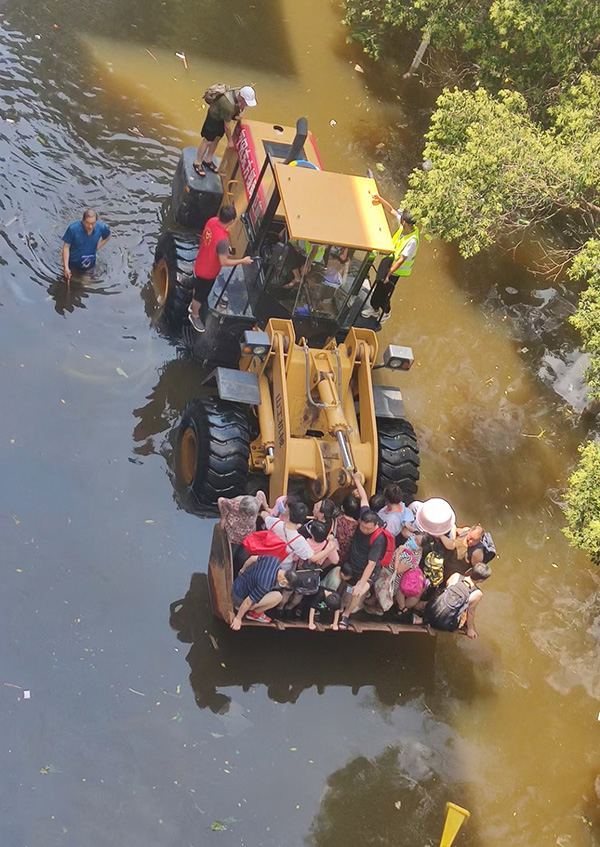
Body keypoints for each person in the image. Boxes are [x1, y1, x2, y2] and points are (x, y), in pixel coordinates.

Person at [188, 204, 254, 332]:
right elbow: (224, 262)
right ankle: (194, 315)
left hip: (200, 262)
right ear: (232, 221)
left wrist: (224, 248)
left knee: (198, 287)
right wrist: (243, 261)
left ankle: (193, 305)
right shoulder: (222, 240)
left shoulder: (212, 221)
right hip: (208, 272)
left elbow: (213, 240)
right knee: (200, 295)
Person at [338, 472, 388, 629]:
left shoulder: (378, 539)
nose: (365, 530)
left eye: (368, 529)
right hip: (353, 561)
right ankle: (340, 602)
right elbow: (364, 499)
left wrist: (361, 584)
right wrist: (357, 481)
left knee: (356, 592)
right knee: (347, 585)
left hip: (366, 570)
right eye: (362, 526)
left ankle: (346, 615)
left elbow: (371, 564)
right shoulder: (365, 514)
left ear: (375, 526)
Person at [362, 194, 419, 320]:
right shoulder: (404, 226)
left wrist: (388, 274)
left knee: (384, 292)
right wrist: (380, 199)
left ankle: (386, 312)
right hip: (390, 262)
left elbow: (401, 260)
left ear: (405, 222)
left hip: (395, 270)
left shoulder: (412, 241)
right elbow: (391, 210)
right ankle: (374, 309)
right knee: (379, 286)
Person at [194, 85, 257, 177]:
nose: (246, 104)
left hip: (223, 118)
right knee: (207, 141)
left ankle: (208, 160)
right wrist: (230, 141)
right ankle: (198, 162)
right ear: (241, 97)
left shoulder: (238, 92)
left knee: (217, 138)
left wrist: (243, 108)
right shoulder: (227, 105)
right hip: (214, 118)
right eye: (246, 102)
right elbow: (227, 126)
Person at [259, 501, 337, 570]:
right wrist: (329, 549)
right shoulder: (299, 540)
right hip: (284, 565)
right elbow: (313, 558)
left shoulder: (276, 523)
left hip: (268, 558)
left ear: (290, 513)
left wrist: (265, 509)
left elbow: (264, 515)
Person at [423, 562, 492, 638]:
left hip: (429, 611)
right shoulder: (477, 593)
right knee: (464, 613)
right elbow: (470, 613)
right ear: (481, 580)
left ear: (471, 570)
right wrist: (470, 629)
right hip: (444, 625)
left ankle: (421, 616)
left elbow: (446, 587)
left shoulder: (456, 576)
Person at [230, 555, 298, 628]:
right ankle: (254, 614)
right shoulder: (265, 585)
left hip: (238, 583)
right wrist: (238, 618)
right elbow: (248, 601)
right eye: (286, 586)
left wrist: (242, 570)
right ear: (284, 582)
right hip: (238, 597)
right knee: (278, 596)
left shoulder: (273, 560)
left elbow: (252, 558)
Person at [61, 209, 111, 282]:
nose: (90, 226)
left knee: (86, 285)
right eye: (88, 223)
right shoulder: (73, 229)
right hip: (72, 263)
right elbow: (66, 247)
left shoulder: (101, 227)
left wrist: (97, 248)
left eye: (93, 223)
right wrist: (66, 267)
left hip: (89, 265)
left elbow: (108, 236)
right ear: (83, 221)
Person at [335, 494, 361, 564]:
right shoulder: (360, 526)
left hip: (335, 557)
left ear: (342, 508)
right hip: (350, 560)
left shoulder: (336, 521)